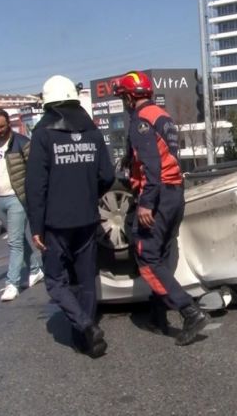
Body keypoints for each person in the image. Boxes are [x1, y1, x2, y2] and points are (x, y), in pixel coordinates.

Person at [113, 70, 208, 346]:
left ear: (131, 97)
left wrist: (145, 203)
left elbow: (152, 166)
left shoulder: (140, 120)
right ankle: (158, 314)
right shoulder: (161, 116)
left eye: (123, 97)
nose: (124, 103)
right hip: (175, 193)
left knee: (147, 257)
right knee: (163, 255)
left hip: (157, 195)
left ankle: (190, 312)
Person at [26, 75, 115, 358]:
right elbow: (108, 176)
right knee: (87, 279)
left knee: (55, 281)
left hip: (55, 222)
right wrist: (89, 195)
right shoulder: (92, 131)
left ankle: (86, 326)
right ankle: (86, 338)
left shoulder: (43, 134)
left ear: (47, 102)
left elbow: (36, 186)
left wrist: (36, 226)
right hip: (88, 218)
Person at [0, 109, 44, 302]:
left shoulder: (22, 143)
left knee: (13, 242)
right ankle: (36, 270)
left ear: (8, 124)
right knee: (18, 238)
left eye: (1, 126)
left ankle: (12, 283)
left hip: (17, 198)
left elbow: (35, 171)